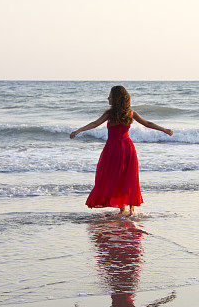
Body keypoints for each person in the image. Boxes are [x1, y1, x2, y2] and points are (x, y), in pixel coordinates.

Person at [70, 85, 173, 215]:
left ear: (116, 99)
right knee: (128, 177)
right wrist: (164, 130)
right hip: (127, 149)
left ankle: (122, 208)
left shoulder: (110, 114)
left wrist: (79, 131)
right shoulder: (130, 113)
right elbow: (148, 123)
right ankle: (130, 209)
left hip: (113, 149)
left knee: (114, 177)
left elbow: (94, 124)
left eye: (110, 96)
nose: (108, 98)